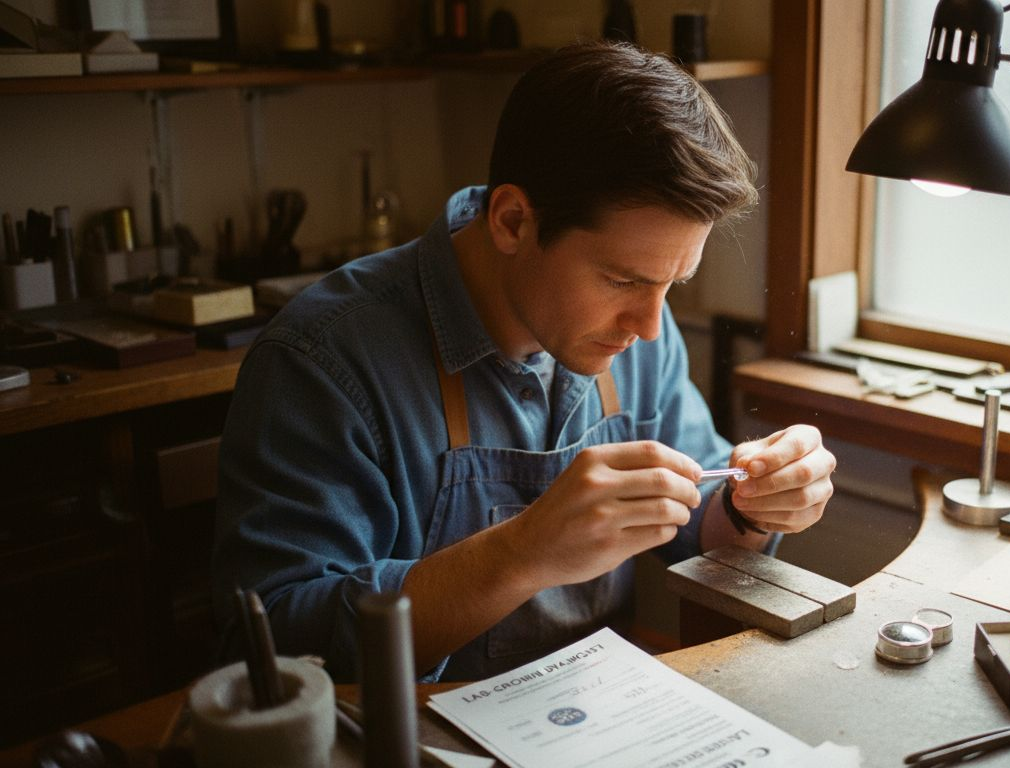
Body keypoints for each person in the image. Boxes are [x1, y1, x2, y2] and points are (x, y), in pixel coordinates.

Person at [212, 41, 837, 683]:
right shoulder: (324, 362)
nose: (650, 326)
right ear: (513, 221)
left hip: (595, 718)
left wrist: (752, 508)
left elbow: (699, 532)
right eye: (621, 281)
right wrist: (521, 553)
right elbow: (279, 643)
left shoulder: (637, 329)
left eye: (671, 284)